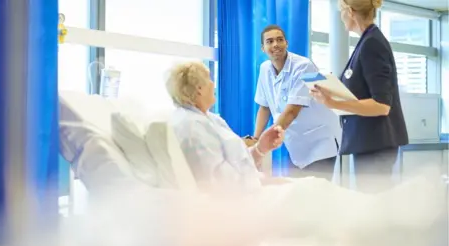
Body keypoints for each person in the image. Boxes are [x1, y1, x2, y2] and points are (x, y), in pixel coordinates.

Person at [309, 0, 408, 193]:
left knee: (373, 208)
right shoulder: (367, 41)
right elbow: (363, 91)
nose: (341, 17)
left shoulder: (372, 44)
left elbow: (381, 105)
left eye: (341, 12)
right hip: (369, 142)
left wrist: (332, 102)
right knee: (370, 206)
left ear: (350, 12)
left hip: (376, 144)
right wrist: (332, 92)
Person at [165, 61, 287, 191]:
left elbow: (235, 163)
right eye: (209, 79)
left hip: (250, 189)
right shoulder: (191, 126)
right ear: (199, 88)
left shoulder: (211, 119)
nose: (213, 84)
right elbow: (218, 182)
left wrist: (260, 148)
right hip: (241, 200)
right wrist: (266, 183)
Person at [253, 24, 342, 180]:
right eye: (270, 41)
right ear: (263, 48)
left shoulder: (304, 66)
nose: (275, 45)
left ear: (286, 43)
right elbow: (264, 107)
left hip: (321, 142)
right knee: (298, 198)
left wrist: (262, 147)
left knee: (316, 197)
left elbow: (292, 111)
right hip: (296, 146)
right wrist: (255, 139)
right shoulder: (265, 69)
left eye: (279, 40)